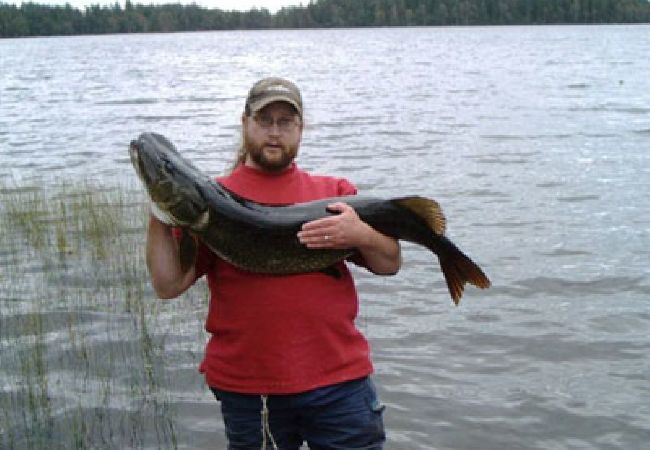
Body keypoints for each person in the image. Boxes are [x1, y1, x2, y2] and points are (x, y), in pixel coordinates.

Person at [146, 77, 401, 449]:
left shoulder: (334, 194)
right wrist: (159, 210)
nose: (275, 132)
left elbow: (389, 263)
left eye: (286, 122)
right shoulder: (210, 200)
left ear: (301, 129)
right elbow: (168, 285)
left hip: (340, 383)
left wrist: (361, 235)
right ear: (245, 122)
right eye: (265, 120)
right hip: (252, 394)